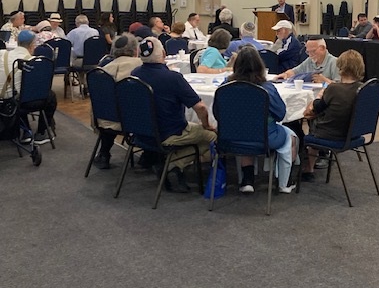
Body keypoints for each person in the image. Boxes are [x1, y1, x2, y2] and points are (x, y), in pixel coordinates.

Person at [131, 36, 216, 193]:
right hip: (169, 133)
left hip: (140, 132)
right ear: (164, 54)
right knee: (213, 136)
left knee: (195, 129)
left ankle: (169, 163)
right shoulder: (173, 78)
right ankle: (173, 164)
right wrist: (206, 125)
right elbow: (201, 107)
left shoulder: (134, 74)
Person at [228, 45, 298, 193]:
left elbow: (218, 112)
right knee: (291, 137)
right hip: (265, 137)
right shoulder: (267, 88)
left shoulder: (226, 86)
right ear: (260, 66)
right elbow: (280, 114)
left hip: (233, 136)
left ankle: (247, 180)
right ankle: (285, 182)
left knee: (246, 135)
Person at [302, 49, 365, 182]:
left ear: (340, 68)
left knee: (311, 118)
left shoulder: (334, 89)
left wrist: (318, 96)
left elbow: (316, 108)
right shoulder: (364, 89)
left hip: (332, 134)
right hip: (353, 133)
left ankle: (309, 168)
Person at [92, 33, 142, 169]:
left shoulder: (102, 71)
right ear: (135, 50)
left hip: (105, 120)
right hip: (139, 122)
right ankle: (150, 155)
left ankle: (104, 153)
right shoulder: (142, 67)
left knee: (112, 108)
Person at [0, 30, 57, 145]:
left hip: (2, 101)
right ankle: (41, 133)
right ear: (32, 45)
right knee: (49, 95)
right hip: (16, 103)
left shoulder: (2, 53)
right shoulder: (32, 62)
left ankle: (26, 130)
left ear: (17, 41)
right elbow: (38, 86)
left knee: (19, 91)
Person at [66, 15, 100, 92]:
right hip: (95, 61)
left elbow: (67, 45)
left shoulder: (73, 32)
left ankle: (83, 84)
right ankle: (88, 84)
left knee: (77, 63)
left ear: (77, 23)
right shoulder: (95, 32)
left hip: (80, 60)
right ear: (88, 22)